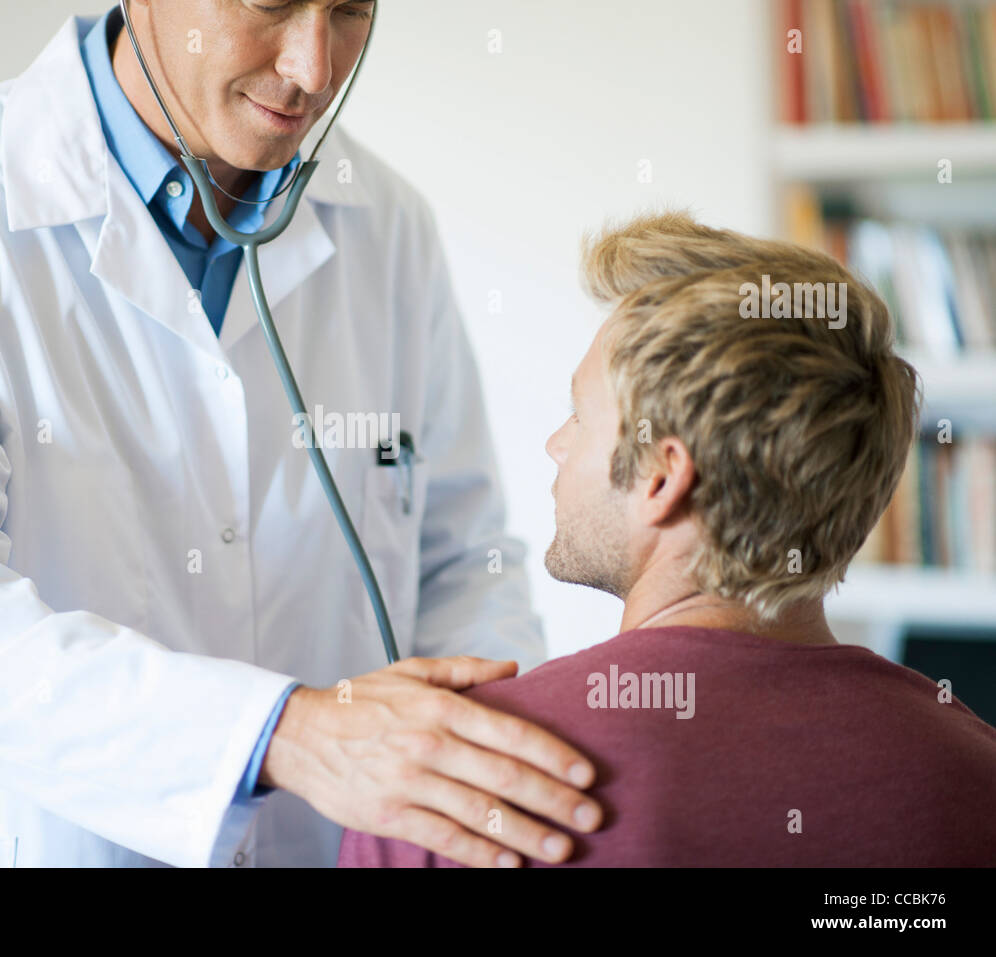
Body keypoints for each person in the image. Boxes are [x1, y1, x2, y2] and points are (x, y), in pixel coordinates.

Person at [0, 1, 604, 868]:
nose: (312, 68)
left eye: (349, 10)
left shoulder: (386, 224)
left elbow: (462, 558)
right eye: (272, 3)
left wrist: (496, 783)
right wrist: (277, 735)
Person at [339, 211, 996, 867]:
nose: (555, 444)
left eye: (579, 413)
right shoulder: (972, 770)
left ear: (663, 475)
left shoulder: (451, 785)